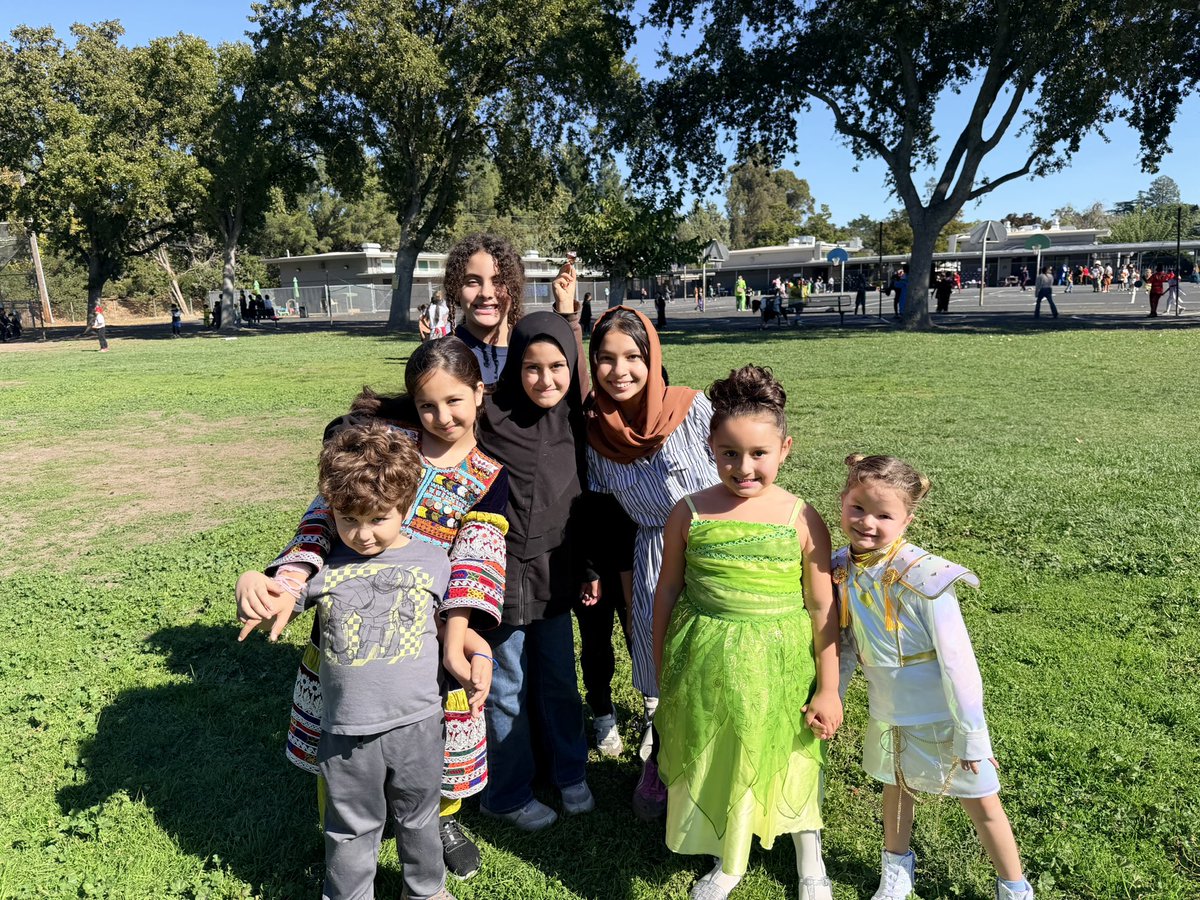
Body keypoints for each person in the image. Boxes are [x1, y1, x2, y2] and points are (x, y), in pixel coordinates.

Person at [237, 338, 510, 881]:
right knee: (337, 746)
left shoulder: (490, 476)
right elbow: (322, 518)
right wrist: (287, 581)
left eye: (455, 402)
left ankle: (439, 824)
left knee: (435, 751)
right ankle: (339, 838)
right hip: (348, 626)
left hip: (431, 637)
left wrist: (456, 640)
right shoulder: (382, 444)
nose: (442, 417)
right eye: (428, 405)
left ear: (479, 394)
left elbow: (476, 565)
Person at [242, 422, 463, 900]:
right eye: (347, 519)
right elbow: (275, 603)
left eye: (378, 518)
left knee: (419, 816)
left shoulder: (435, 562)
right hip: (344, 733)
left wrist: (477, 652)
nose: (361, 534)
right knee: (348, 827)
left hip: (420, 724)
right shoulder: (325, 567)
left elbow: (455, 627)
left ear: (404, 506)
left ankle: (425, 890)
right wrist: (250, 583)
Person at [653, 365, 842, 900]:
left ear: (785, 448)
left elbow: (822, 606)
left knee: (793, 750)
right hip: (706, 657)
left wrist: (828, 687)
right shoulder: (688, 512)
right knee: (722, 750)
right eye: (729, 453)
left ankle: (811, 861)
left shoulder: (802, 518)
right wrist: (663, 659)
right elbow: (667, 590)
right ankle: (728, 856)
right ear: (711, 448)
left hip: (782, 661)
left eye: (759, 453)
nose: (744, 467)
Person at [833, 455, 1034, 900]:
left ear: (908, 517)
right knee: (895, 785)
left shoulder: (927, 577)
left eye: (884, 514)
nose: (867, 522)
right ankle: (897, 870)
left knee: (980, 798)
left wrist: (973, 737)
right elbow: (846, 640)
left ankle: (1014, 886)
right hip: (889, 707)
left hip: (942, 712)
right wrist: (836, 696)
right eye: (858, 508)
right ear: (841, 503)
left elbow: (959, 662)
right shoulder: (841, 568)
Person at [585, 307, 720, 821]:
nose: (620, 370)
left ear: (653, 358)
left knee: (711, 666)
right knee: (661, 663)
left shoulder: (693, 410)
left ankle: (716, 767)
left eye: (633, 358)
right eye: (606, 359)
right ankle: (664, 757)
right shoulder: (596, 433)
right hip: (651, 558)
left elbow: (747, 468)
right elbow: (602, 515)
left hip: (711, 555)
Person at [477, 312, 594, 831]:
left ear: (571, 365)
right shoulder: (488, 414)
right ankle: (506, 792)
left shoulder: (579, 421)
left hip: (555, 573)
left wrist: (588, 566)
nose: (545, 380)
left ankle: (569, 772)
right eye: (531, 367)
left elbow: (588, 498)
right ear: (513, 368)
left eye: (557, 366)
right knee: (505, 688)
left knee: (559, 684)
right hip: (498, 575)